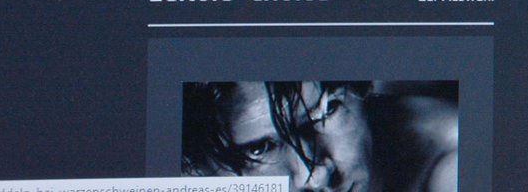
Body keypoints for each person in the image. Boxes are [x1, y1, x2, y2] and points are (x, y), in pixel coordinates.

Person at [182, 80, 458, 192]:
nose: (312, 177)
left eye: (325, 114)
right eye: (261, 148)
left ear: (361, 91)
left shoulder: (453, 159)